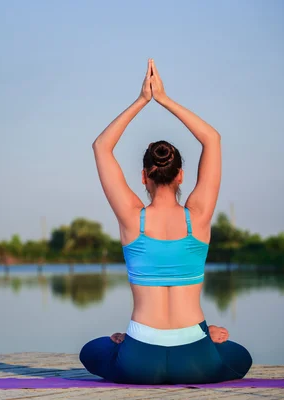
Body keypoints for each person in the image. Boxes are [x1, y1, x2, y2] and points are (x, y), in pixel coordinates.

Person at [79, 59, 252, 384]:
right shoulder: (197, 217)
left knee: (93, 350)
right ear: (181, 175)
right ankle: (203, 332)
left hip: (138, 359)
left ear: (144, 176)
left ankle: (124, 343)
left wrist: (142, 100)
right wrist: (165, 98)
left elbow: (101, 146)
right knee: (239, 356)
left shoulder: (132, 218)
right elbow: (212, 139)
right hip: (196, 358)